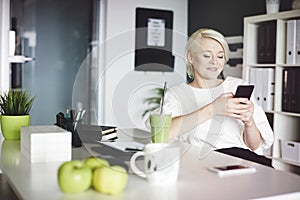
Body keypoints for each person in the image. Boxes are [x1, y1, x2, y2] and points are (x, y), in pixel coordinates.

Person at [159, 28, 274, 166]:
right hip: (201, 164)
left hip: (241, 163)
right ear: (190, 57)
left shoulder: (237, 86)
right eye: (207, 56)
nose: (214, 62)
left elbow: (254, 146)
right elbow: (163, 135)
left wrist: (249, 122)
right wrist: (213, 109)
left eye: (220, 56)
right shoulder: (176, 94)